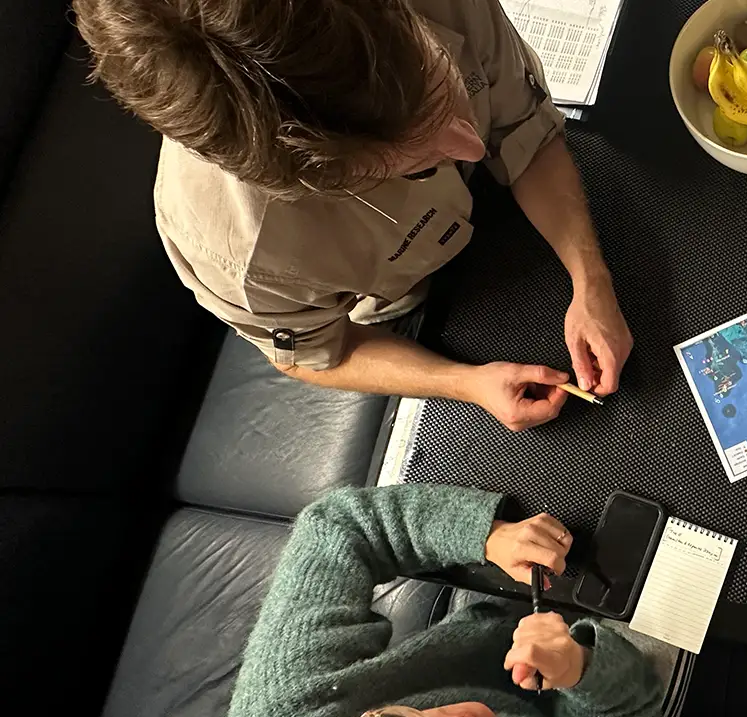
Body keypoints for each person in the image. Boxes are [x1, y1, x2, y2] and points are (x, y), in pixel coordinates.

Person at [73, 0, 633, 431]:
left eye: (443, 83)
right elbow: (317, 351)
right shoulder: (245, 252)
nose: (470, 144)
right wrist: (466, 384)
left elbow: (522, 131)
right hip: (424, 305)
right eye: (413, 161)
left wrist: (591, 280)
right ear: (315, 182)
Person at [213, 484, 668, 717]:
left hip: (485, 633)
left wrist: (486, 536)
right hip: (605, 716)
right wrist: (584, 670)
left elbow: (338, 529)